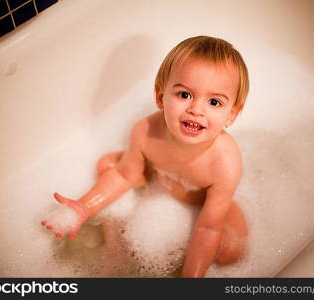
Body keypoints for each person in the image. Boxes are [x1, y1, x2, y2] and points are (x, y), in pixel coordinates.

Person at [41, 36, 249, 277]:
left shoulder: (224, 162)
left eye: (214, 102)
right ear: (161, 97)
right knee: (107, 165)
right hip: (159, 178)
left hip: (205, 207)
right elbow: (123, 174)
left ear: (232, 115)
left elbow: (208, 228)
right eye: (184, 95)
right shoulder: (146, 131)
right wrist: (83, 207)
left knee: (230, 252)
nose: (196, 109)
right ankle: (114, 226)